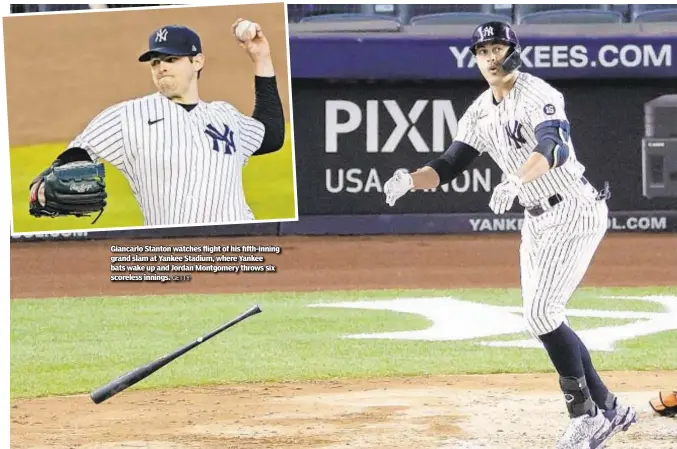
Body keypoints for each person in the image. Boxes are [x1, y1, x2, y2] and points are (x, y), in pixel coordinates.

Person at [383, 21, 637, 449]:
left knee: (542, 314)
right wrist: (410, 180)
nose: (491, 57)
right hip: (537, 220)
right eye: (483, 50)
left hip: (572, 208)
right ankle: (607, 406)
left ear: (514, 52)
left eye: (498, 47)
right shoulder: (481, 110)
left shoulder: (540, 94)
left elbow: (552, 146)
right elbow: (448, 165)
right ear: (475, 58)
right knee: (545, 316)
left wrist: (517, 180)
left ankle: (585, 416)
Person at [29, 20, 285, 226]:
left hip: (241, 244)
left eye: (171, 59)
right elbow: (77, 155)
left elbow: (271, 135)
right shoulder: (127, 116)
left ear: (197, 62)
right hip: (171, 249)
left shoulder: (225, 115)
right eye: (155, 62)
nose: (161, 67)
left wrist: (261, 58)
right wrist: (44, 184)